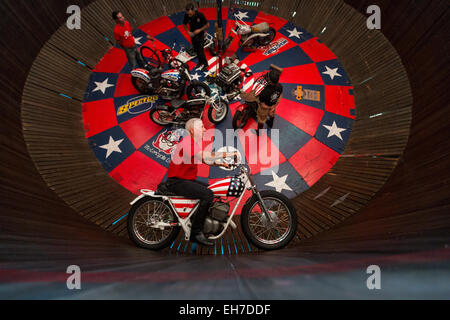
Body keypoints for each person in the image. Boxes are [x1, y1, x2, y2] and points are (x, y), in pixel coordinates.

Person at [165, 118, 238, 246]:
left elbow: (206, 160)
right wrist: (228, 154)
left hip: (185, 181)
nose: (205, 130)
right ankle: (196, 233)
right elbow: (205, 156)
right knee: (207, 194)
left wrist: (221, 164)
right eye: (202, 127)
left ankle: (199, 222)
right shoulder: (187, 141)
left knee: (211, 191)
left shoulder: (192, 143)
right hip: (177, 182)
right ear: (192, 131)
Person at [241, 66, 283, 135]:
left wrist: (266, 107)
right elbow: (280, 96)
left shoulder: (265, 92)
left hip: (265, 107)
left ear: (269, 81)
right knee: (271, 113)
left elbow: (262, 104)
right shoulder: (280, 86)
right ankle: (270, 123)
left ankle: (258, 132)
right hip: (273, 103)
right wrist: (273, 107)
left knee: (261, 119)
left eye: (267, 77)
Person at [183, 3, 210, 71]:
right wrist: (188, 32)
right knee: (196, 51)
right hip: (193, 36)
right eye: (188, 14)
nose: (189, 15)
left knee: (201, 51)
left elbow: (207, 25)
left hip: (200, 35)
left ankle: (206, 64)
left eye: (190, 14)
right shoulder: (187, 15)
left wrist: (199, 30)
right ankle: (200, 62)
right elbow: (184, 24)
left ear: (193, 11)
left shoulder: (200, 15)